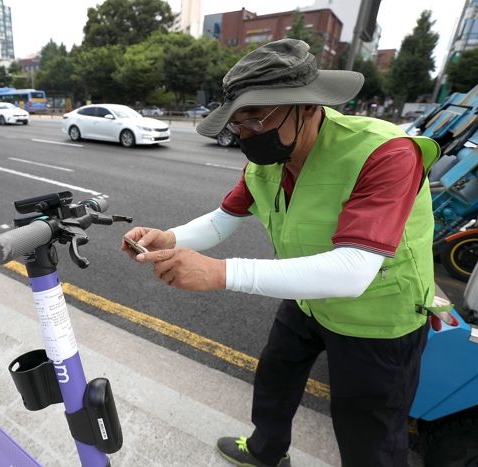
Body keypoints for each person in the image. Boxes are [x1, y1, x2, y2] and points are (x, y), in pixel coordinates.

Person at [122, 39, 456, 467]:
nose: (245, 135)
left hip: (377, 316)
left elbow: (355, 270)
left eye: (256, 119)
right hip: (307, 299)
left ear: (307, 106)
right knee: (275, 378)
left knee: (368, 430)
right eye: (237, 125)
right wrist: (169, 238)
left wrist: (221, 273)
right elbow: (224, 219)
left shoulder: (385, 152)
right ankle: (267, 451)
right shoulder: (266, 161)